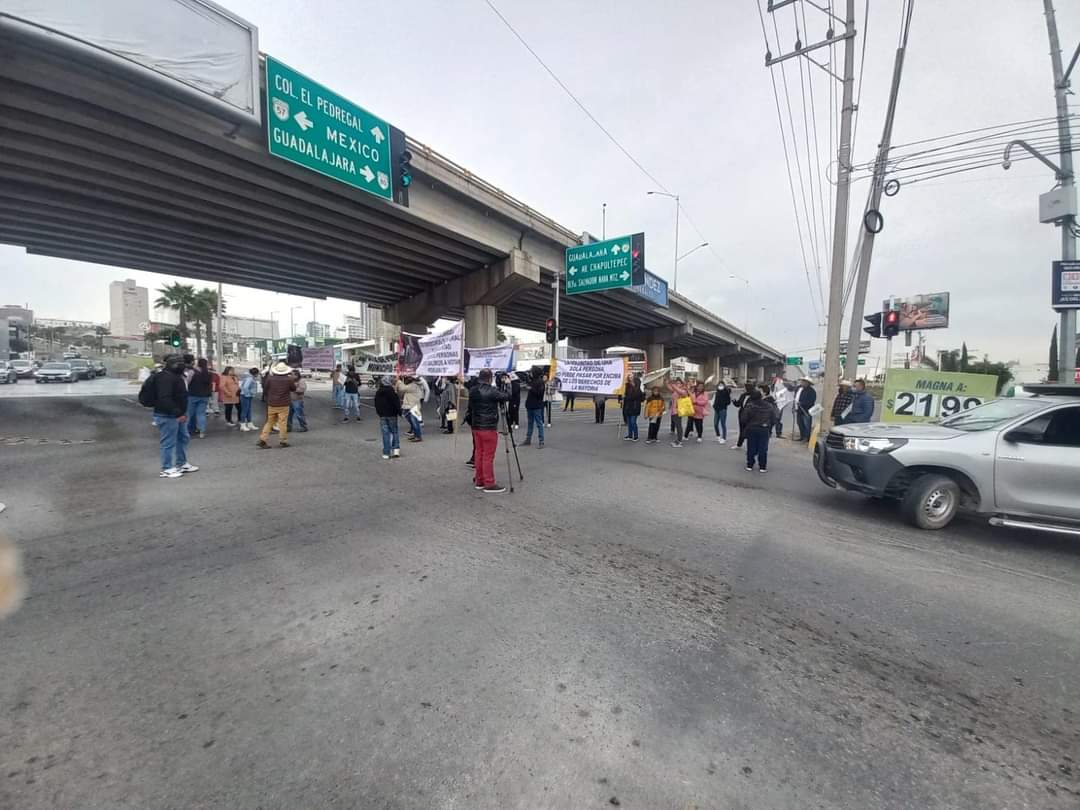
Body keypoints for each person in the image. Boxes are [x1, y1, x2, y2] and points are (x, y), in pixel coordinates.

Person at [153, 354, 198, 478]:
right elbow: (164, 398)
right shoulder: (165, 378)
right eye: (180, 364)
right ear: (173, 365)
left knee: (183, 437)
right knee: (168, 442)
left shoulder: (176, 376)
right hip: (167, 415)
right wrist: (177, 413)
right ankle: (167, 468)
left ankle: (181, 463)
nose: (184, 366)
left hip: (178, 413)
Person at [467, 369, 510, 493]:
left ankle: (480, 480)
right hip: (488, 427)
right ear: (490, 378)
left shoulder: (473, 390)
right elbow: (507, 396)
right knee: (488, 456)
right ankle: (489, 483)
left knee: (479, 453)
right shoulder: (492, 391)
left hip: (476, 426)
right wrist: (507, 384)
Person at [257, 361, 296, 449]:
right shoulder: (289, 379)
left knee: (270, 422)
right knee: (282, 423)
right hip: (284, 404)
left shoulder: (270, 379)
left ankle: (263, 439)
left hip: (271, 403)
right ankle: (283, 441)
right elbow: (293, 389)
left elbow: (265, 389)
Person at [740, 388, 780, 473]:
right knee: (763, 448)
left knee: (751, 447)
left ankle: (750, 465)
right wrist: (769, 426)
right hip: (764, 429)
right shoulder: (769, 406)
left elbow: (743, 419)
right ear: (761, 396)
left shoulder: (750, 406)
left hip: (752, 428)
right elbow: (774, 418)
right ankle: (762, 466)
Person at [374, 377, 402, 459]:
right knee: (394, 432)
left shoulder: (378, 392)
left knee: (385, 434)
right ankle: (396, 449)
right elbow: (396, 403)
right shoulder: (392, 392)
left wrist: (379, 413)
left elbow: (376, 404)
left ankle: (386, 452)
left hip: (382, 415)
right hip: (392, 415)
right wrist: (399, 412)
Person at [186, 358, 213, 439]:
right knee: (201, 414)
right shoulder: (208, 373)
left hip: (192, 395)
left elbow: (187, 382)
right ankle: (202, 432)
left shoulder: (192, 372)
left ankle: (186, 431)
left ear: (197, 363)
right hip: (204, 396)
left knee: (189, 414)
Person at [522, 367, 546, 448]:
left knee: (539, 424)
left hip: (537, 406)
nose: (530, 373)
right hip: (530, 405)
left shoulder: (540, 382)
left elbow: (540, 394)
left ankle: (541, 441)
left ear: (535, 373)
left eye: (532, 372)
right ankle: (528, 439)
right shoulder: (532, 380)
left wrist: (531, 388)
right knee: (530, 423)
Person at [396, 376, 424, 442]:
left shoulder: (413, 385)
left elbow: (402, 388)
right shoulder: (414, 385)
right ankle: (416, 435)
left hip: (413, 406)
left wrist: (399, 381)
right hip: (413, 406)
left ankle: (418, 436)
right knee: (413, 421)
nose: (406, 379)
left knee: (414, 422)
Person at [665, 376, 690, 448]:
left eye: (679, 383)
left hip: (678, 411)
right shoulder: (675, 391)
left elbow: (677, 390)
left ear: (682, 384)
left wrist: (673, 384)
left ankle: (680, 441)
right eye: (677, 383)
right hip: (673, 411)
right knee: (676, 425)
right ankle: (678, 440)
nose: (677, 384)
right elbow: (669, 387)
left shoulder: (684, 391)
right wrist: (667, 382)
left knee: (679, 426)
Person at [731, 382, 756, 450]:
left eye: (744, 387)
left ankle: (751, 446)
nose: (743, 389)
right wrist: (734, 401)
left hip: (751, 416)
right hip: (742, 415)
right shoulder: (743, 395)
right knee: (742, 430)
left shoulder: (754, 396)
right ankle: (739, 444)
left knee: (750, 431)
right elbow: (738, 404)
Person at [793, 378, 817, 442]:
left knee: (807, 425)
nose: (802, 383)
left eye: (804, 382)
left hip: (807, 411)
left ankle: (807, 438)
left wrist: (802, 403)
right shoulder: (799, 389)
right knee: (800, 423)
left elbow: (811, 401)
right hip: (799, 410)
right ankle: (802, 436)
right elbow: (795, 398)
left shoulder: (811, 391)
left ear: (808, 383)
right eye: (802, 381)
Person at [621, 373, 643, 441]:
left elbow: (635, 396)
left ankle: (636, 436)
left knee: (633, 422)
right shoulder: (627, 386)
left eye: (631, 377)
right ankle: (630, 435)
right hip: (628, 406)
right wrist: (623, 397)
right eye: (629, 377)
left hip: (635, 406)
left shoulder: (638, 388)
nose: (630, 378)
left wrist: (626, 397)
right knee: (629, 422)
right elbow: (625, 395)